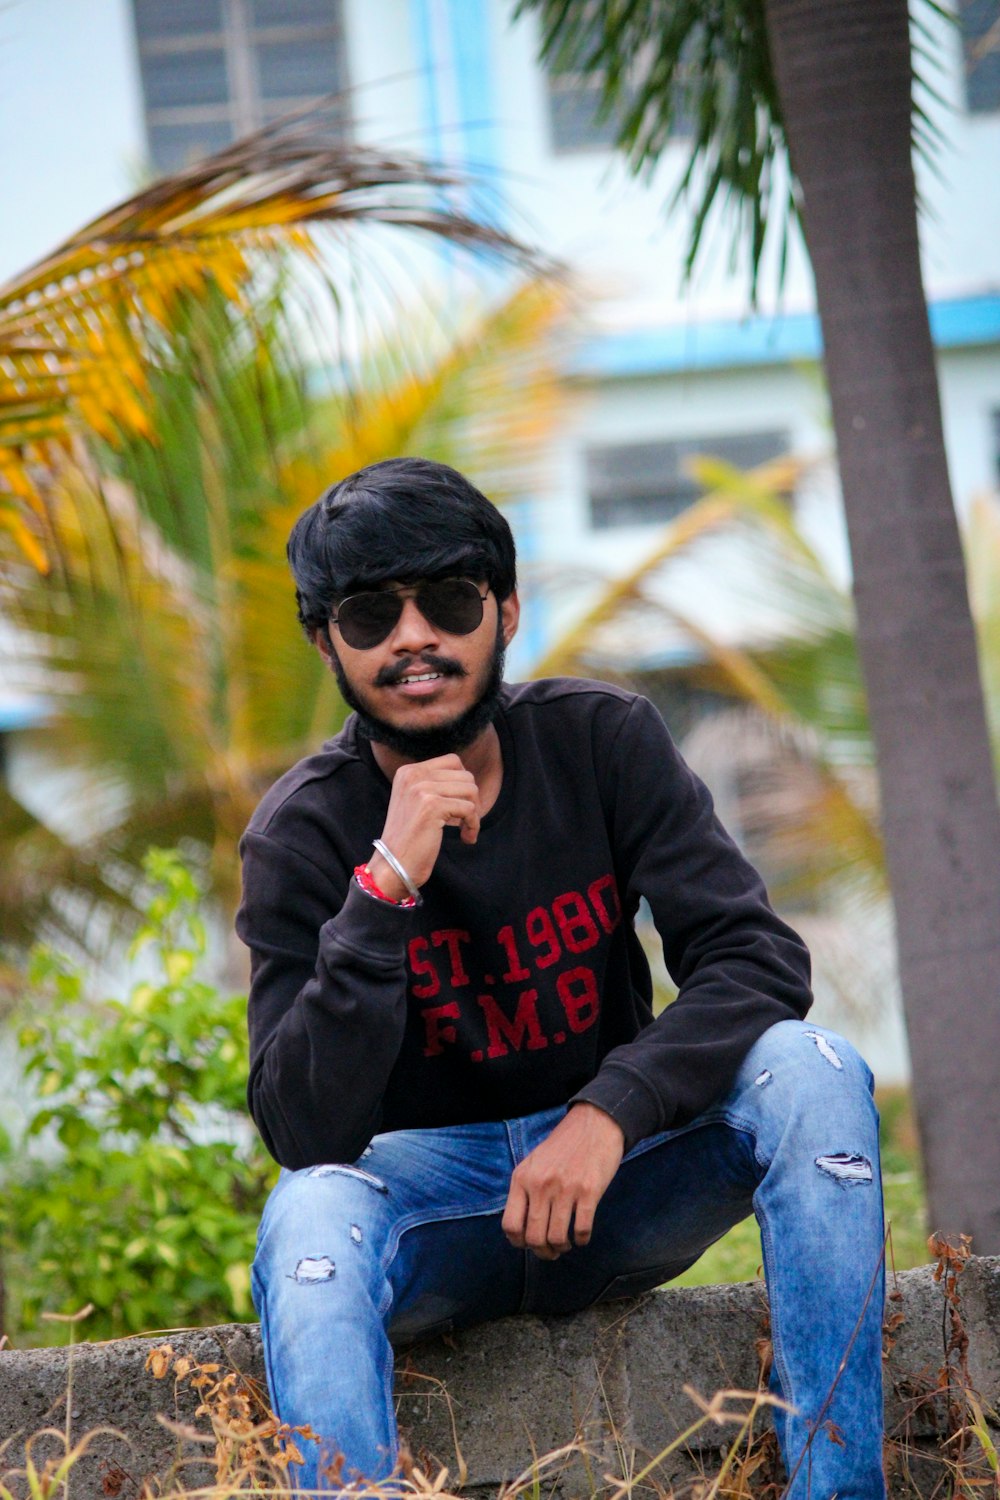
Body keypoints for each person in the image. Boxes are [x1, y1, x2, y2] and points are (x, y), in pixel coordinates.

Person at [236, 456, 886, 1498]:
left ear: (505, 610)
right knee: (308, 1216)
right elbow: (304, 1133)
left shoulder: (599, 740)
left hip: (618, 1185)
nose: (413, 636)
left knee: (809, 1067)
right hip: (430, 1217)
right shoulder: (300, 834)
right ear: (327, 642)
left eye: (447, 600)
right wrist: (386, 884)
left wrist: (609, 1113)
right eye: (369, 616)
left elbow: (755, 958)